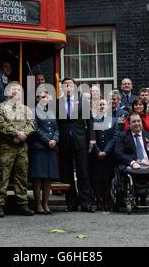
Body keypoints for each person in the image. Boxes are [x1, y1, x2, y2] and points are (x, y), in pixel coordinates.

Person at [0, 81, 36, 217]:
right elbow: (1, 125)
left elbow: (32, 125)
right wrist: (16, 134)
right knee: (3, 176)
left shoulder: (26, 109)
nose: (15, 92)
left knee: (22, 176)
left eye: (18, 90)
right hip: (6, 147)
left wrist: (24, 134)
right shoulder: (1, 108)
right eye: (13, 90)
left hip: (22, 148)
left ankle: (22, 204)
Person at [58, 77, 96, 212]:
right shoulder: (57, 103)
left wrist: (92, 138)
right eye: (65, 85)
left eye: (70, 85)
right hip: (64, 142)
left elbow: (90, 121)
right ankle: (71, 203)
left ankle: (86, 203)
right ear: (62, 88)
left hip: (80, 141)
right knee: (67, 173)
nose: (68, 87)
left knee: (83, 172)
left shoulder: (83, 102)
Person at [114, 112, 149, 197]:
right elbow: (118, 153)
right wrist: (132, 162)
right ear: (129, 124)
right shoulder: (123, 136)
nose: (137, 123)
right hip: (132, 168)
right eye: (134, 122)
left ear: (141, 122)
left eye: (138, 121)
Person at [30, 91, 59, 214]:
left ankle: (46, 204)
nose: (45, 99)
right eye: (42, 97)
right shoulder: (33, 111)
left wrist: (55, 139)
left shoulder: (51, 112)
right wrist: (48, 141)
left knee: (48, 177)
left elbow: (56, 129)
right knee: (38, 177)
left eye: (47, 97)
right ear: (37, 99)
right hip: (39, 147)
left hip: (51, 148)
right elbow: (35, 129)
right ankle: (38, 204)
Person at [89, 99, 119, 211]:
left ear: (108, 107)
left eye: (104, 104)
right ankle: (99, 202)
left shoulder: (114, 120)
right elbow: (92, 136)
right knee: (97, 179)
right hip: (95, 155)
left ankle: (106, 202)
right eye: (100, 104)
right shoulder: (93, 120)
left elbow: (114, 138)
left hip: (108, 155)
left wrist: (105, 152)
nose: (102, 106)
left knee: (107, 179)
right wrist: (97, 151)